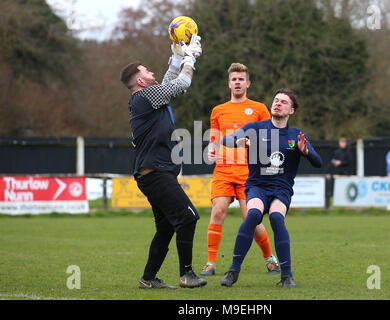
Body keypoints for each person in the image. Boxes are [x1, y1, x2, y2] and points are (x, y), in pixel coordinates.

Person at [119, 36, 207, 289]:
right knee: (188, 218)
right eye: (147, 70)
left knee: (167, 227)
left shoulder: (147, 97)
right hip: (156, 174)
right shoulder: (145, 97)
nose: (152, 71)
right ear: (140, 81)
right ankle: (187, 275)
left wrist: (177, 56)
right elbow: (180, 84)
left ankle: (148, 279)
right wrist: (189, 59)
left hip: (153, 174)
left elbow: (168, 84)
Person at [219, 88, 323, 288]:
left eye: (284, 102)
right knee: (252, 216)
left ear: (291, 110)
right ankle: (233, 271)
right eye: (276, 100)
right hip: (257, 186)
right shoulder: (255, 128)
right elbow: (226, 140)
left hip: (281, 189)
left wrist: (306, 152)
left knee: (276, 217)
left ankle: (287, 276)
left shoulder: (297, 135)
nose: (278, 103)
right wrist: (239, 142)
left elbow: (318, 162)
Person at [201, 63, 279, 276]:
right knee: (217, 212)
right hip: (223, 170)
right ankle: (210, 263)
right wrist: (211, 149)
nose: (237, 82)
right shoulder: (218, 110)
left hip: (248, 172)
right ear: (229, 84)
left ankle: (270, 258)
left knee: (251, 218)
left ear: (248, 83)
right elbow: (215, 139)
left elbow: (270, 137)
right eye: (234, 79)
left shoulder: (259, 109)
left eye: (241, 79)